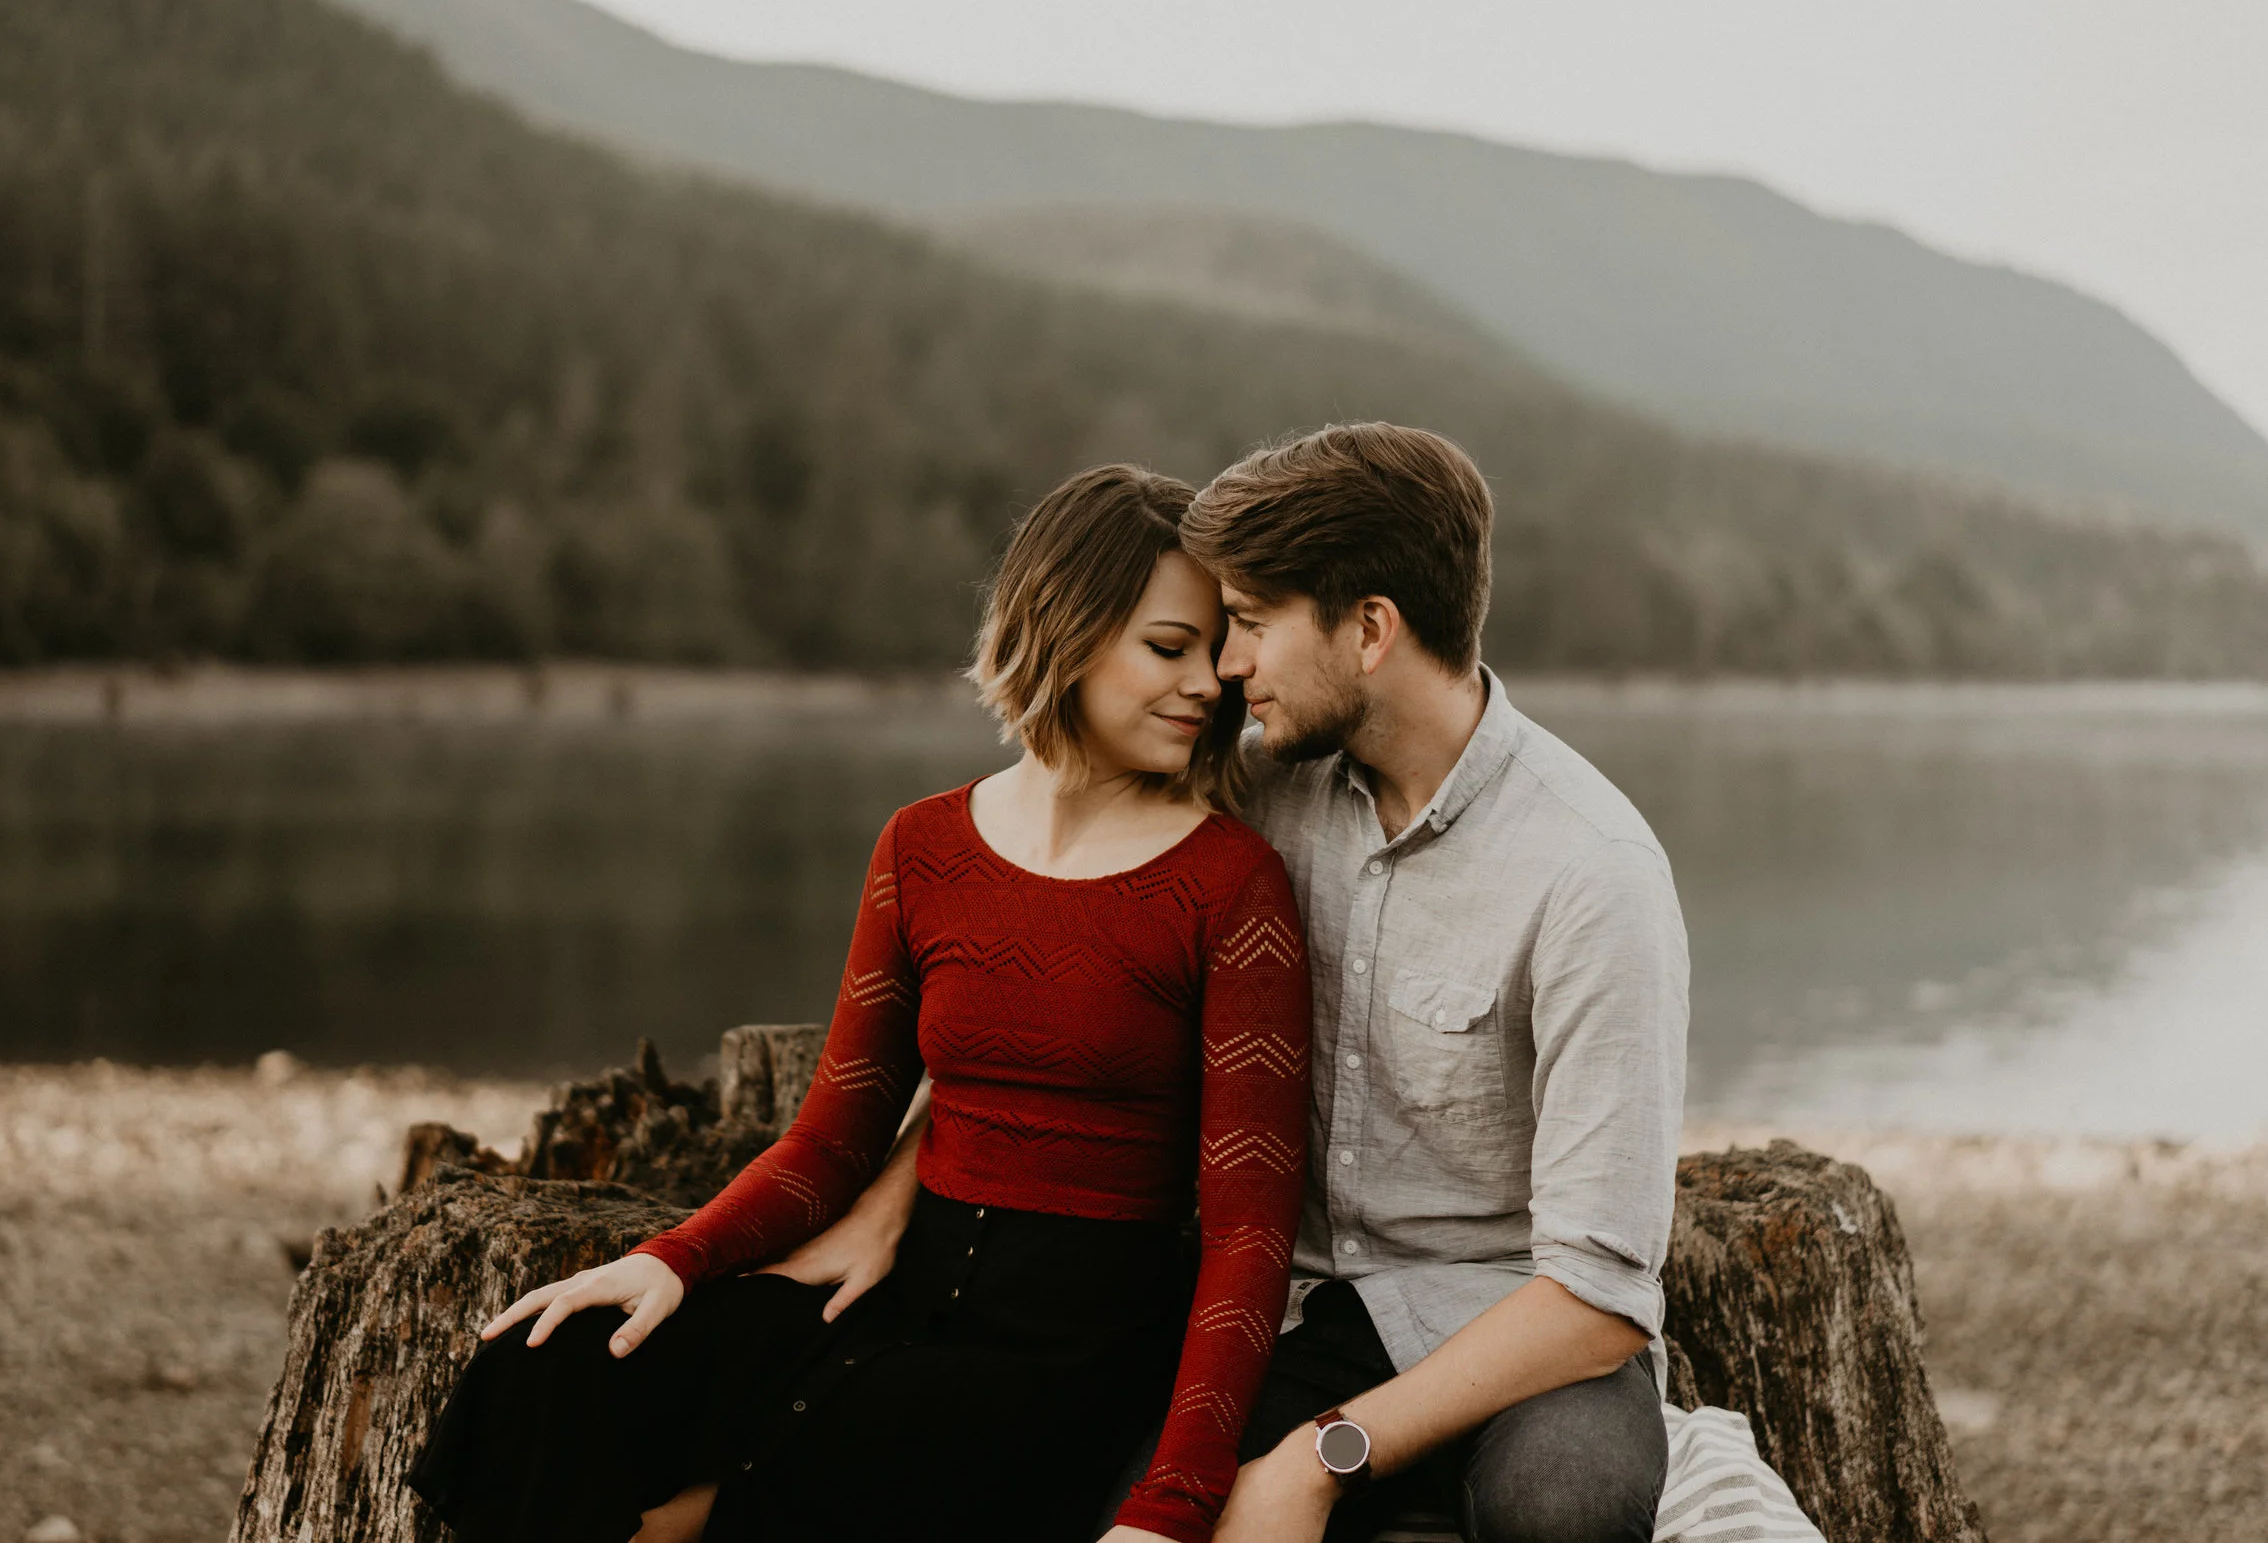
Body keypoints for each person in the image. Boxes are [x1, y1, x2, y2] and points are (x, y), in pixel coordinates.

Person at [798, 424, 1689, 1543]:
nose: (1226, 667)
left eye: (1254, 625)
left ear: (1368, 629)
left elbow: (1601, 1296)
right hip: (1288, 1313)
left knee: (1566, 1506)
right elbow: (1052, 1003)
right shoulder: (1248, 801)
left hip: (1518, 1328)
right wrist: (890, 1194)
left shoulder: (1591, 871)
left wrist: (1322, 1460)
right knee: (1124, 1511)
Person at [408, 464, 1314, 1543]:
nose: (1207, 684)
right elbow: (832, 1136)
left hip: (1076, 1351)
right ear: (1064, 629)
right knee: (544, 1364)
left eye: (1213, 652)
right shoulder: (922, 847)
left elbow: (1249, 1233)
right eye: (1169, 647)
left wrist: (1171, 1501)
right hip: (892, 1291)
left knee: (797, 1473)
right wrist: (667, 1258)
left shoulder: (1231, 885)